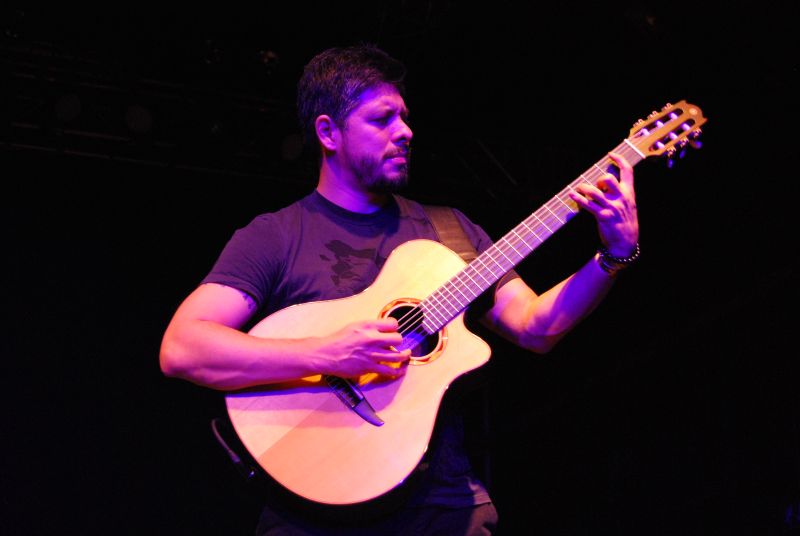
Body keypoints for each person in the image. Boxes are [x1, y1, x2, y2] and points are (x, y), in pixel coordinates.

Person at [159, 44, 640, 535]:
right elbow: (183, 347)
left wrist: (614, 256)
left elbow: (537, 328)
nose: (405, 132)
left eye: (405, 118)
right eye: (382, 119)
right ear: (328, 132)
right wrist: (327, 354)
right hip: (310, 513)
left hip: (445, 506)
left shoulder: (451, 233)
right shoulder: (277, 235)